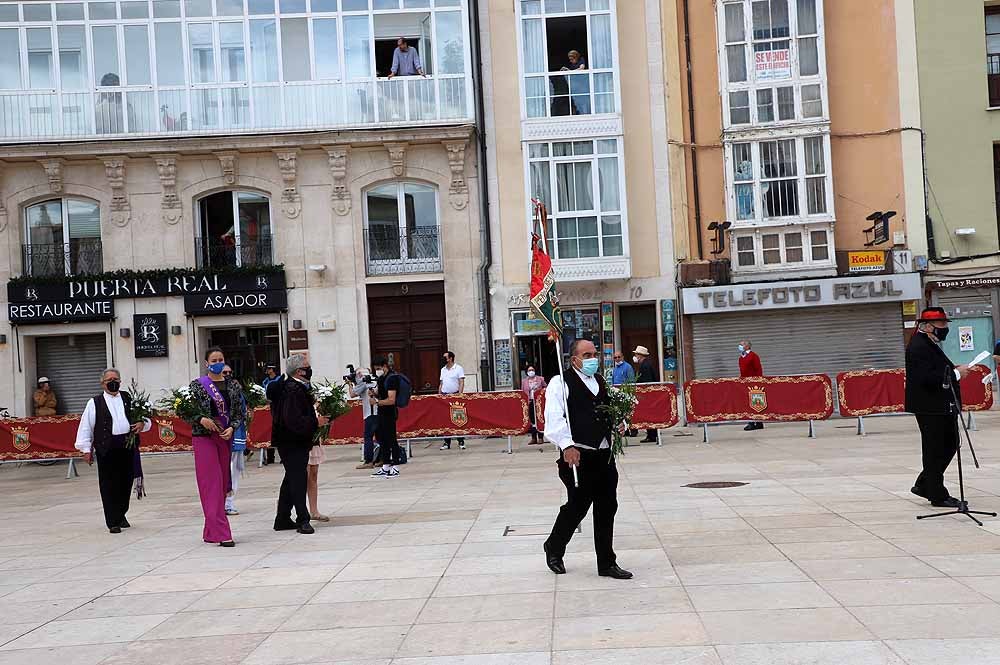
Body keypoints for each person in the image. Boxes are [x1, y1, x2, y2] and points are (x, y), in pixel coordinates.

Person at [542, 339, 631, 580]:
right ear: (574, 359)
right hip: (578, 455)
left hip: (604, 453)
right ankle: (554, 546)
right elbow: (553, 417)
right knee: (578, 506)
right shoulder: (560, 382)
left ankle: (606, 562)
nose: (593, 358)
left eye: (595, 353)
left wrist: (619, 422)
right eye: (587, 354)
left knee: (607, 506)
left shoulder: (599, 381)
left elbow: (606, 410)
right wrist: (566, 445)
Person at [907, 308, 970, 509]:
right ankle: (936, 494)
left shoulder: (929, 343)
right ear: (926, 326)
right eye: (941, 325)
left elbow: (937, 370)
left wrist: (953, 369)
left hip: (941, 405)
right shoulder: (918, 346)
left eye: (945, 324)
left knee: (950, 444)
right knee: (935, 449)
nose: (945, 328)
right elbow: (926, 378)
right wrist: (956, 375)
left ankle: (925, 483)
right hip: (930, 406)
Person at [74, 369, 151, 533]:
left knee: (126, 481)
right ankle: (112, 521)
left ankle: (121, 513)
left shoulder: (128, 398)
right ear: (103, 383)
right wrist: (85, 449)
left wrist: (142, 424)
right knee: (109, 484)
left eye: (116, 379)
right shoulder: (94, 403)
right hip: (106, 448)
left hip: (127, 445)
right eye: (109, 379)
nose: (113, 382)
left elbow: (144, 417)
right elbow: (86, 426)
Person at [185, 347, 245, 547]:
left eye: (221, 358)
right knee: (211, 483)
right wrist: (201, 418)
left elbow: (239, 413)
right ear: (206, 363)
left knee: (221, 483)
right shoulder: (197, 386)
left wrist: (233, 428)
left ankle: (210, 530)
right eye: (214, 359)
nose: (218, 362)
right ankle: (222, 532)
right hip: (204, 438)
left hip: (224, 436)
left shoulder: (233, 386)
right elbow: (184, 410)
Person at [274, 354, 327, 533]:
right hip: (291, 441)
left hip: (295, 440)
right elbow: (292, 419)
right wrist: (315, 423)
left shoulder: (299, 387)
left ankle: (282, 518)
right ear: (299, 371)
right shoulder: (292, 389)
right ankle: (303, 519)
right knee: (298, 480)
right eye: (306, 366)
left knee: (291, 479)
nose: (309, 368)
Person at [221, 365, 246, 517]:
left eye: (230, 372)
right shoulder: (209, 389)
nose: (228, 375)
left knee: (233, 469)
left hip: (235, 432)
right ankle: (219, 502)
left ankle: (229, 502)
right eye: (225, 372)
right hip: (217, 434)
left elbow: (241, 411)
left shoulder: (236, 389)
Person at [371, 356, 402, 477]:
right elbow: (380, 393)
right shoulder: (382, 378)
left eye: (378, 368)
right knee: (382, 439)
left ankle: (395, 465)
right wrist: (373, 393)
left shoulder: (392, 378)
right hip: (381, 413)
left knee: (391, 439)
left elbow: (391, 400)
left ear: (385, 366)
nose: (377, 371)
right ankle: (386, 465)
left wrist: (377, 402)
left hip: (389, 413)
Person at [351, 367, 379, 469]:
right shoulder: (376, 380)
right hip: (380, 412)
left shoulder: (363, 383)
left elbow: (352, 394)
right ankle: (381, 459)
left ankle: (368, 461)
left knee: (368, 437)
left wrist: (350, 383)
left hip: (370, 413)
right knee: (380, 436)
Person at [439, 351, 466, 450]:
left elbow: (461, 382)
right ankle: (446, 442)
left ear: (450, 358)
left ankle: (461, 441)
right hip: (445, 396)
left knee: (458, 419)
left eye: (445, 357)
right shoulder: (443, 370)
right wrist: (439, 395)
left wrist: (459, 394)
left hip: (455, 396)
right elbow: (441, 383)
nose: (443, 359)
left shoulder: (458, 368)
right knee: (445, 420)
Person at [738, 339, 765, 431]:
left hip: (754, 382)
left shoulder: (753, 356)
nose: (740, 346)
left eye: (742, 345)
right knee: (748, 402)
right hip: (746, 382)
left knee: (756, 402)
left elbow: (758, 369)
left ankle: (754, 422)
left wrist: (759, 380)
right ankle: (756, 422)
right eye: (740, 345)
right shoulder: (742, 357)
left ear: (748, 346)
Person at [633, 346, 657, 442]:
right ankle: (651, 435)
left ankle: (652, 435)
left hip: (648, 395)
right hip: (648, 394)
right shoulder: (645, 364)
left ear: (640, 355)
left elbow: (647, 381)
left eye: (636, 354)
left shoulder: (645, 365)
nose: (635, 356)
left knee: (649, 414)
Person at [521, 365, 547, 445]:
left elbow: (545, 387)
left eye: (532, 370)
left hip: (538, 401)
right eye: (529, 370)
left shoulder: (540, 379)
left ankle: (540, 437)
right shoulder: (524, 381)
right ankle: (533, 438)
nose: (531, 371)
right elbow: (522, 391)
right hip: (530, 402)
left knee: (539, 418)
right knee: (532, 420)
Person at [262, 365, 282, 465]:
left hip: (278, 406)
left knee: (279, 430)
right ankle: (270, 457)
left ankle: (283, 456)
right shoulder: (265, 381)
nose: (267, 370)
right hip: (267, 408)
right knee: (268, 432)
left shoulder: (279, 379)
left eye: (268, 369)